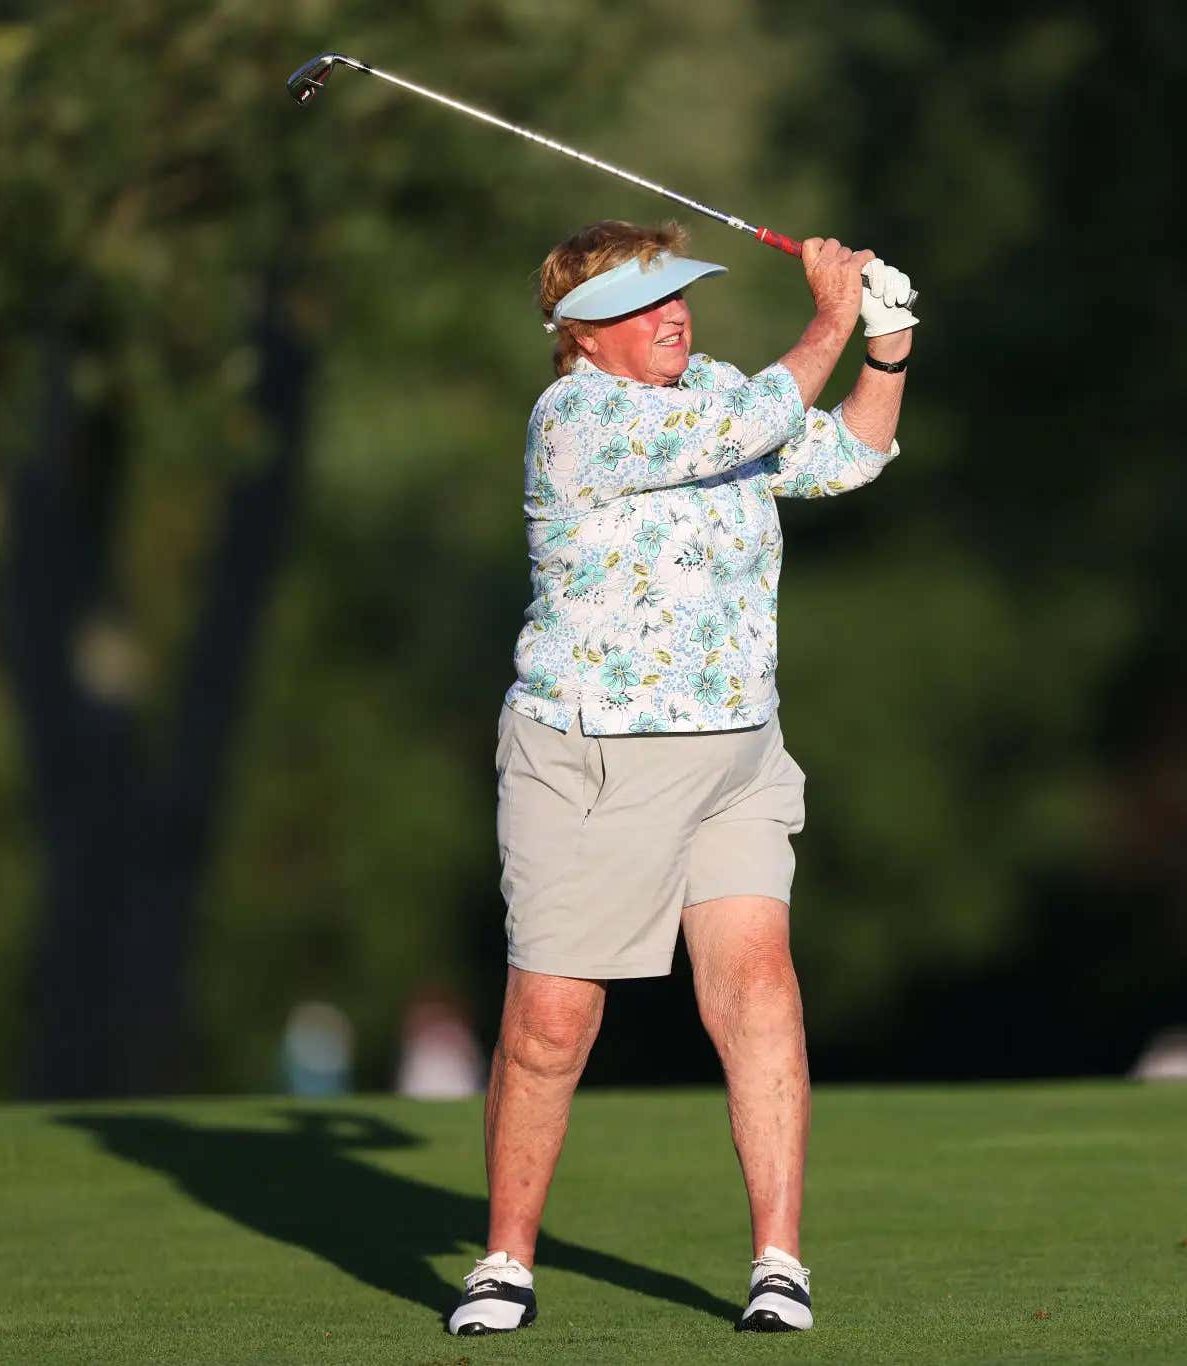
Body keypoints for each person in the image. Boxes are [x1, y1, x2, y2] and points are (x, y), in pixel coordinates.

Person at [446, 220, 918, 1337]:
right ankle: (507, 1259)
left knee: (758, 986)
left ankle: (777, 1260)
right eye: (640, 305)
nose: (673, 315)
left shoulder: (711, 385)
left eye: (678, 294)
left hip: (736, 752)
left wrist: (887, 351)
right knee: (552, 1024)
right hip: (592, 756)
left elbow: (840, 455)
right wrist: (831, 319)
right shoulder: (574, 420)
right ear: (578, 334)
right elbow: (760, 415)